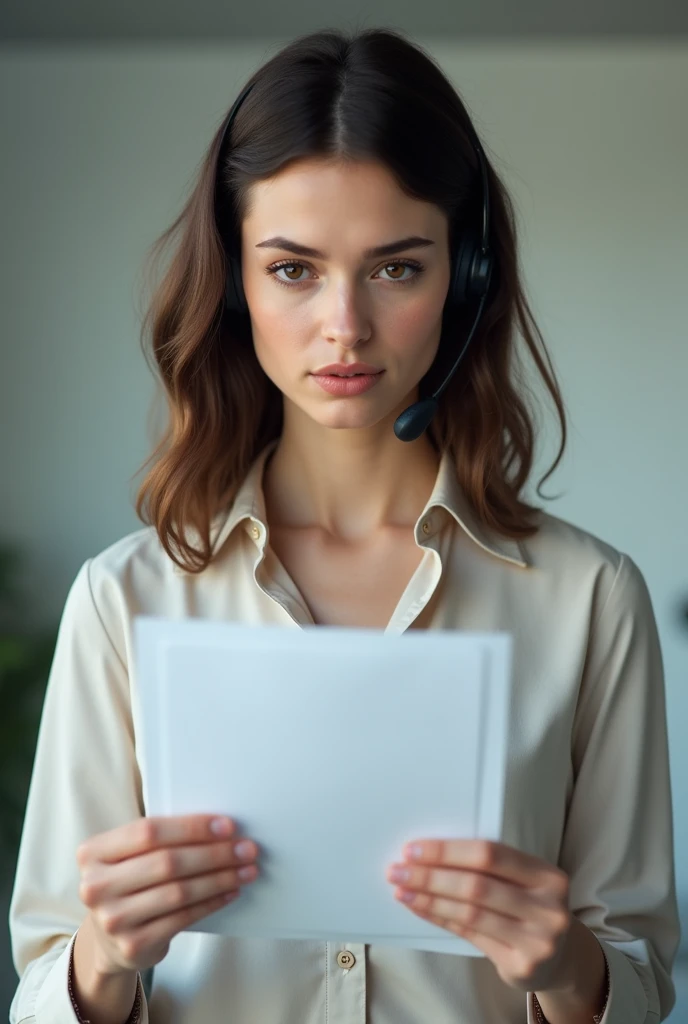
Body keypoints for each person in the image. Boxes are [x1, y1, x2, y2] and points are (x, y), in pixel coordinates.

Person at [8, 25, 680, 1024]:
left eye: (396, 268)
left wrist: (571, 968)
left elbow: (642, 974)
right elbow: (40, 994)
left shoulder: (589, 598)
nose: (345, 326)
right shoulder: (125, 597)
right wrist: (101, 959)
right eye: (292, 269)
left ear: (467, 278)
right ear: (234, 279)